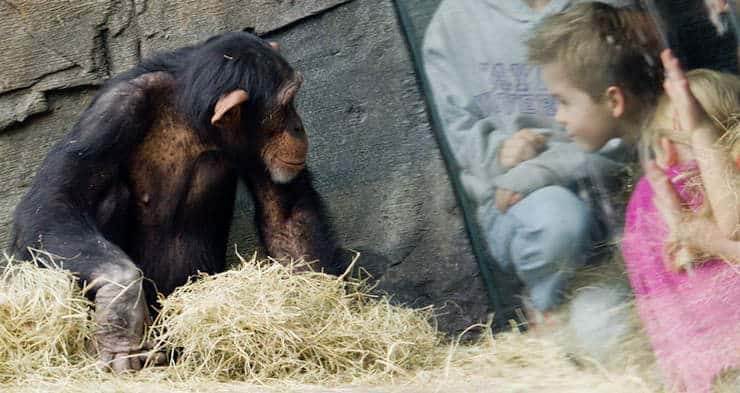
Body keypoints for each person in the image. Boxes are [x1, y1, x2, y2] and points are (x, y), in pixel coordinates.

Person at [422, 0, 638, 319]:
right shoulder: (450, 24)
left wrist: (544, 167)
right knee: (559, 223)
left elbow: (632, 123)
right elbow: (463, 135)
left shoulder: (604, 9)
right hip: (524, 199)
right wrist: (500, 152)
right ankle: (550, 309)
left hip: (613, 178)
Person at [622, 49, 740, 393]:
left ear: (665, 148)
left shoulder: (654, 195)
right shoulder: (676, 190)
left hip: (698, 372)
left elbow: (649, 299)